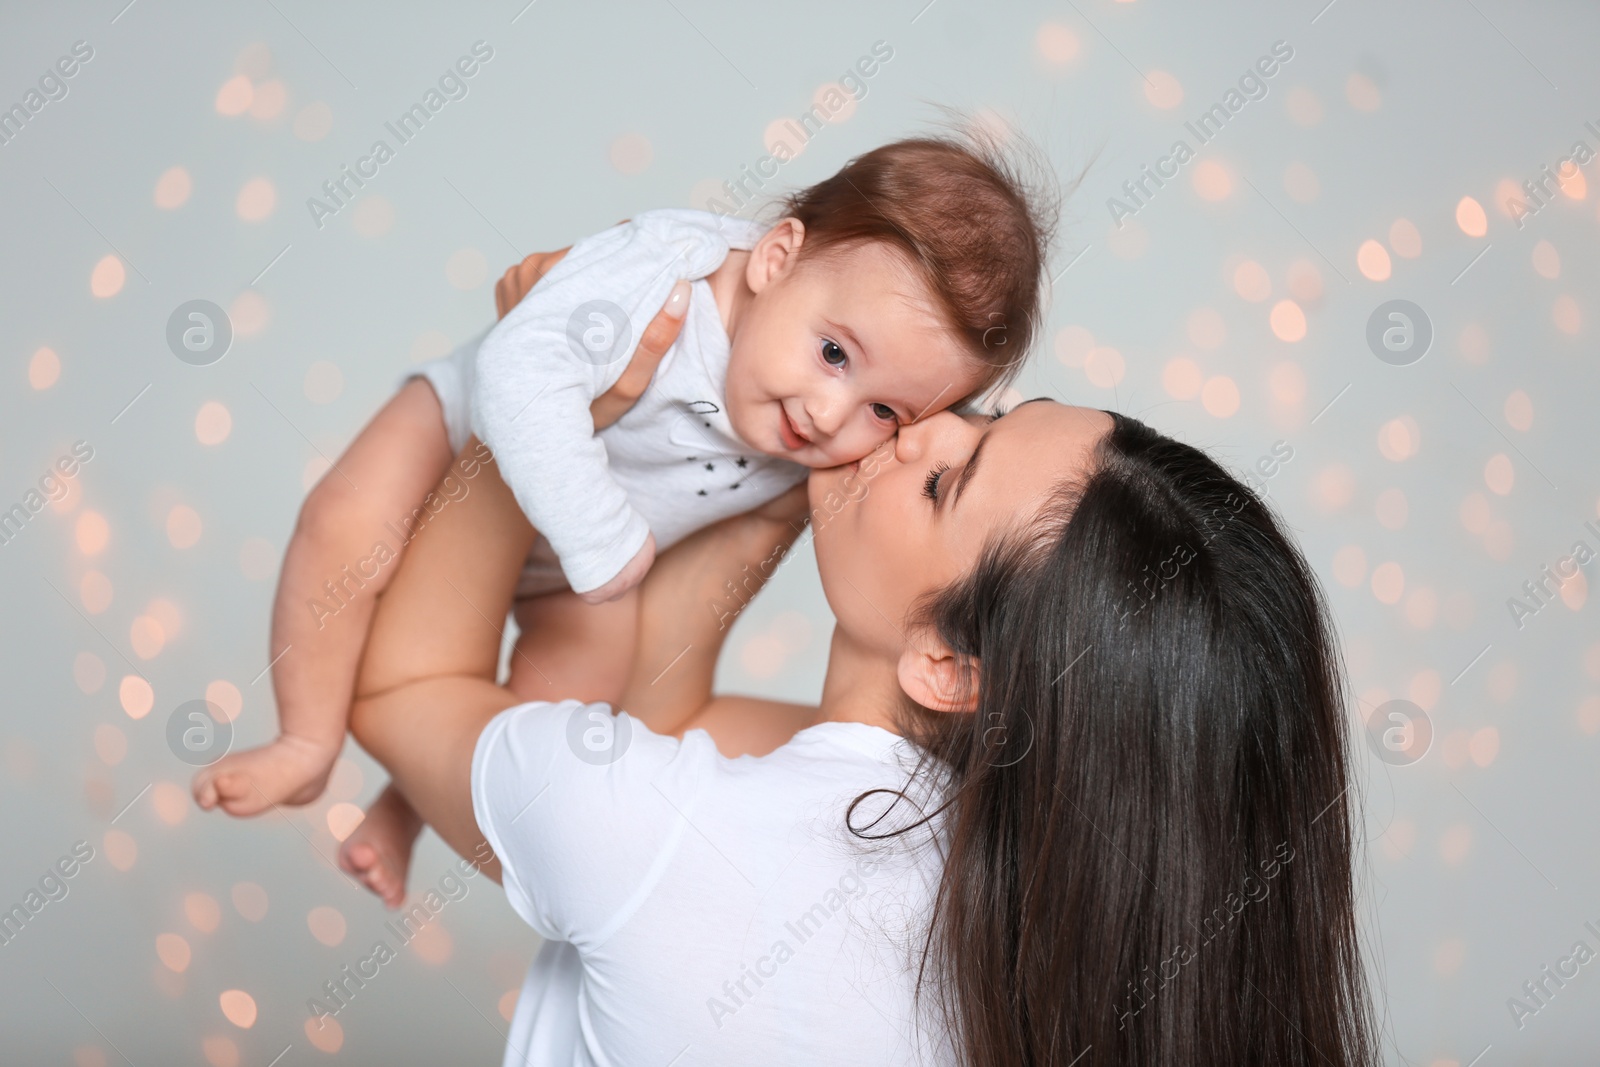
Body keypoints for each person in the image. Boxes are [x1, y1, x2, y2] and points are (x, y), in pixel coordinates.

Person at [348, 370, 1379, 1061]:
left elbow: (399, 688)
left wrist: (531, 397)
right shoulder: (1026, 895)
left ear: (947, 661)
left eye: (942, 480)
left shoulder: (672, 832)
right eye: (982, 417)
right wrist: (781, 489)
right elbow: (671, 714)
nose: (921, 422)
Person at [193, 134, 1056, 831]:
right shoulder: (666, 278)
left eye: (887, 413)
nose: (831, 414)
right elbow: (518, 367)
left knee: (577, 695)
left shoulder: (831, 453)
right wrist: (598, 536)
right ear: (777, 257)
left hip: (589, 562)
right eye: (834, 353)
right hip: (474, 447)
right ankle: (305, 738)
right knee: (345, 525)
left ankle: (415, 802)